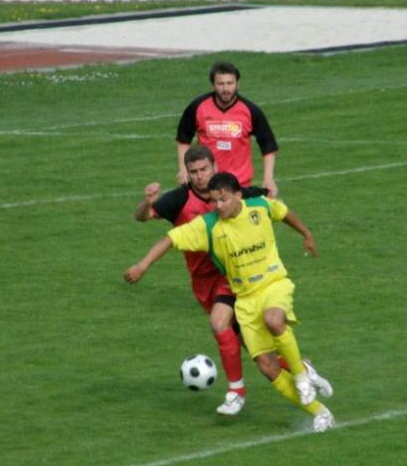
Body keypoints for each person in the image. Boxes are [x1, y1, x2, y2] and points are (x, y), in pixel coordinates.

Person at [125, 172, 335, 432]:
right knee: (267, 367)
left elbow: (283, 212)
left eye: (223, 200)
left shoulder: (259, 206)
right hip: (245, 300)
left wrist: (306, 233)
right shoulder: (208, 225)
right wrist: (142, 265)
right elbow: (170, 239)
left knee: (273, 320)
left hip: (273, 285)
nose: (218, 206)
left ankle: (299, 377)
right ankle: (320, 412)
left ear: (238, 195)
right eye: (214, 201)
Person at [133, 145, 267, 416]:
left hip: (231, 276)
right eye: (193, 171)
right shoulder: (179, 199)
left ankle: (236, 391)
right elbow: (142, 217)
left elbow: (263, 204)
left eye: (204, 169)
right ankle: (301, 370)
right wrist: (147, 202)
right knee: (257, 350)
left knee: (220, 325)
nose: (199, 175)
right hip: (204, 283)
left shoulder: (227, 193)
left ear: (214, 167)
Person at [176, 61, 279, 197]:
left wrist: (268, 177)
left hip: (239, 184)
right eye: (221, 84)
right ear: (213, 85)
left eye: (230, 83)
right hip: (206, 184)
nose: (226, 89)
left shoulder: (250, 110)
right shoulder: (198, 107)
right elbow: (183, 139)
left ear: (238, 84)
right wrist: (183, 168)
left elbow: (268, 146)